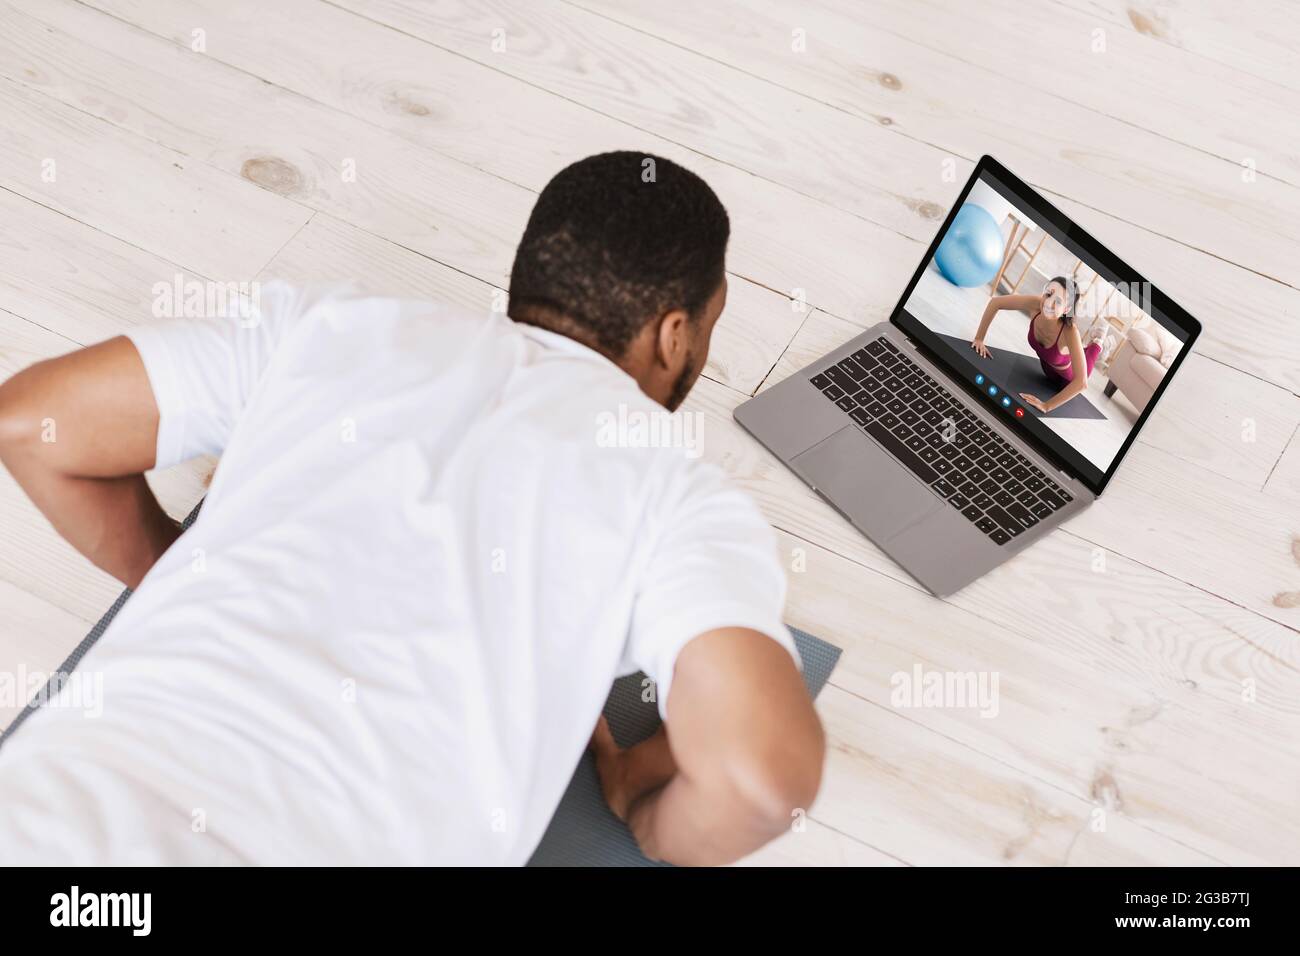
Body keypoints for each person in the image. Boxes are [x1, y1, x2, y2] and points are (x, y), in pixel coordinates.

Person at [0, 152, 824, 865]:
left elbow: (32, 425)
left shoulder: (321, 326)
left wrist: (173, 570)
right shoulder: (680, 490)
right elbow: (760, 776)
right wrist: (644, 807)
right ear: (675, 334)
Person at [969, 276, 1104, 413]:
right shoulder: (1036, 303)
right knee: (1078, 351)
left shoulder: (1070, 331)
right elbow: (996, 302)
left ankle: (1098, 343)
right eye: (1049, 294)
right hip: (1047, 368)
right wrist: (979, 338)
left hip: (1067, 379)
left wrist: (1046, 406)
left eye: (1057, 301)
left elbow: (1081, 383)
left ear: (1066, 309)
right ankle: (1085, 348)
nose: (1048, 304)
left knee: (1087, 363)